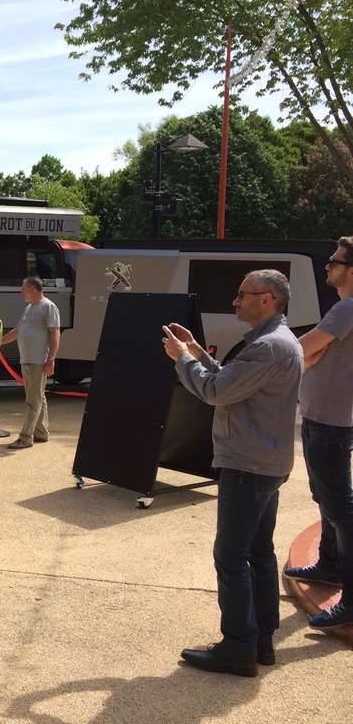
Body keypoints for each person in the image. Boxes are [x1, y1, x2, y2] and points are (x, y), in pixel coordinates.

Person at [162, 269, 303, 677]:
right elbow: (229, 381)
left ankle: (238, 647)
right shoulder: (274, 343)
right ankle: (260, 640)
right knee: (259, 551)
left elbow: (216, 391)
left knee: (231, 556)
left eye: (244, 295)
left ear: (269, 299)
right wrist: (196, 352)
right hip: (263, 462)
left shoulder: (268, 347)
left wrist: (183, 360)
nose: (236, 301)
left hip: (248, 464)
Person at [284, 236, 353, 629]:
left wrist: (312, 351)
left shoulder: (346, 309)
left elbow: (299, 350)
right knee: (327, 498)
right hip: (320, 417)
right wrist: (313, 352)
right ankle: (328, 564)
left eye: (335, 260)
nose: (328, 265)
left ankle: (350, 592)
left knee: (341, 507)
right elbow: (309, 353)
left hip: (330, 422)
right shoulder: (342, 311)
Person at [0, 276, 60, 450]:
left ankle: (26, 437)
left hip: (38, 360)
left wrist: (51, 359)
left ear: (33, 289)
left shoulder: (48, 306)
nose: (21, 292)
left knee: (32, 400)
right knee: (38, 397)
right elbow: (18, 331)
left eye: (23, 288)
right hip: (28, 359)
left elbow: (55, 333)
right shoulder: (29, 308)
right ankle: (41, 432)